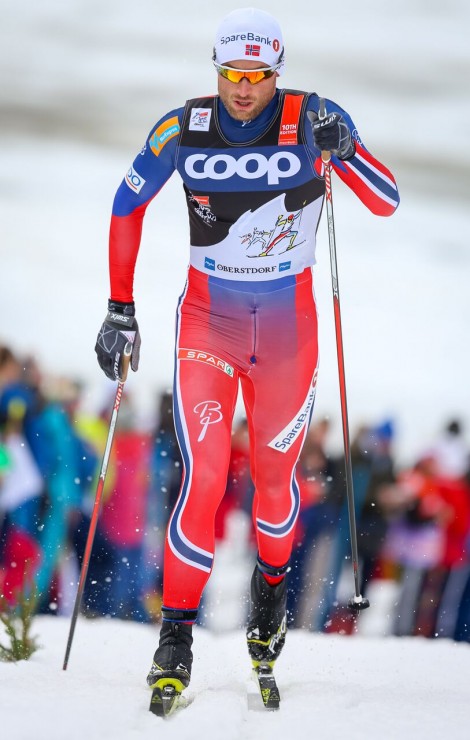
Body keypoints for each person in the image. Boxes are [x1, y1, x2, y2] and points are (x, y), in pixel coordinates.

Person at [94, 7, 399, 700]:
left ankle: (268, 594)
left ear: (276, 74)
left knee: (271, 483)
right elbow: (124, 205)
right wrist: (120, 308)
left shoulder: (312, 117)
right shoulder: (184, 127)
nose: (242, 88)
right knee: (202, 480)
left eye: (257, 76)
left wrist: (346, 148)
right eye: (232, 73)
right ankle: (176, 636)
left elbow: (385, 201)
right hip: (207, 325)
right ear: (217, 70)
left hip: (287, 333)